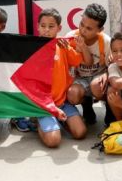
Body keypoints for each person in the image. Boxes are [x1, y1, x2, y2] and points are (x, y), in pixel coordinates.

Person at [34, 8, 87, 147]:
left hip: (62, 102)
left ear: (59, 28)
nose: (46, 30)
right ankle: (37, 120)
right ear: (37, 26)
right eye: (43, 26)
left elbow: (76, 61)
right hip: (44, 104)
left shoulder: (62, 45)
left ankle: (58, 122)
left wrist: (80, 48)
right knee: (53, 141)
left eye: (51, 27)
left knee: (80, 133)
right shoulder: (31, 47)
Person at [65, 3, 110, 125]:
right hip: (80, 78)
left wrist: (106, 75)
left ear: (100, 30)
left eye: (89, 28)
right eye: (82, 25)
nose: (83, 30)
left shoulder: (106, 42)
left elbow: (112, 66)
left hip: (98, 76)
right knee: (72, 94)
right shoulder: (70, 38)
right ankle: (86, 105)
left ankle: (110, 111)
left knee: (97, 86)